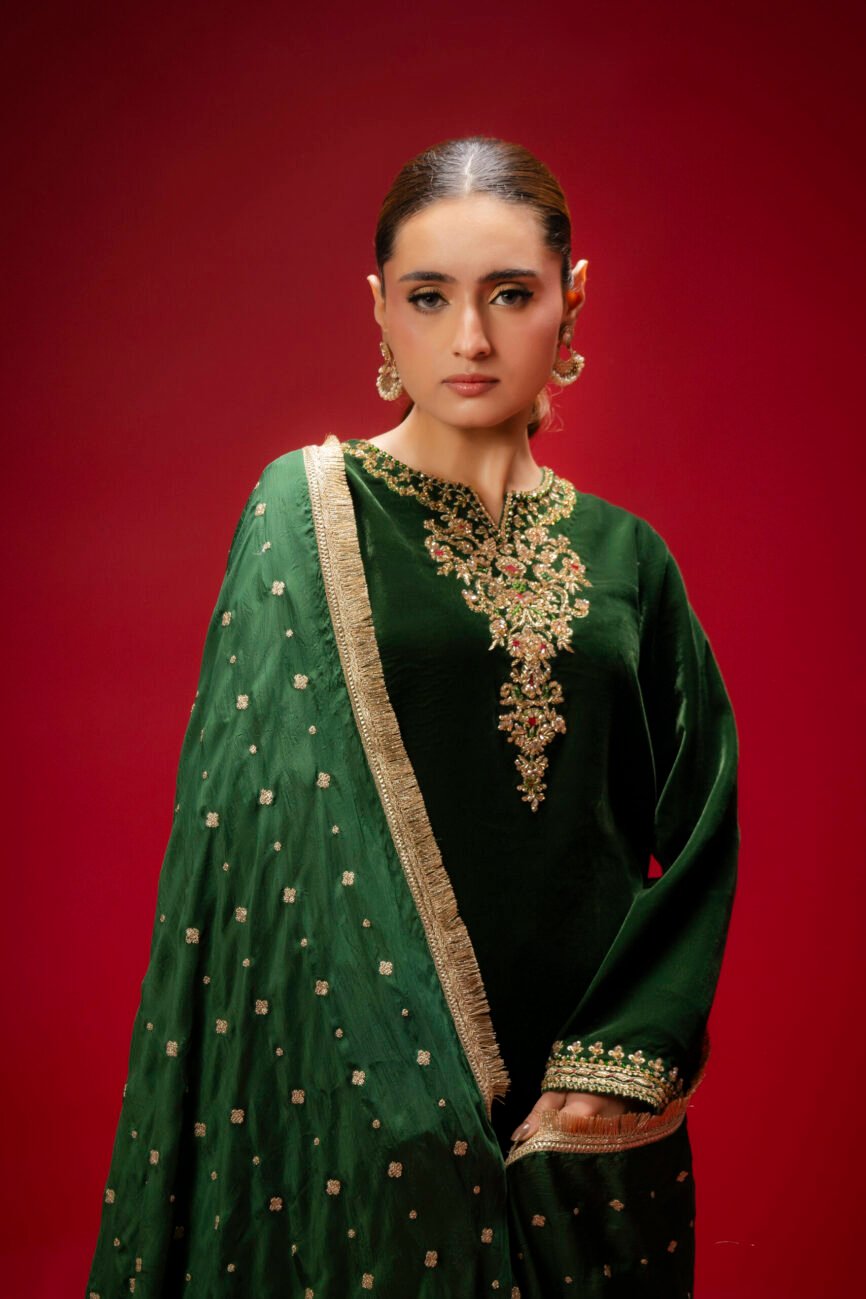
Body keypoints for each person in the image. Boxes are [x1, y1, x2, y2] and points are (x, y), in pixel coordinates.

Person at [85, 136, 740, 1299]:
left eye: (510, 295)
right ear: (379, 308)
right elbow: (249, 858)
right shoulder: (305, 513)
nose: (469, 339)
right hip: (361, 1106)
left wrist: (616, 1066)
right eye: (429, 297)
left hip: (575, 1126)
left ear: (571, 299)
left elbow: (699, 825)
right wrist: (393, 1085)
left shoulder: (627, 558)